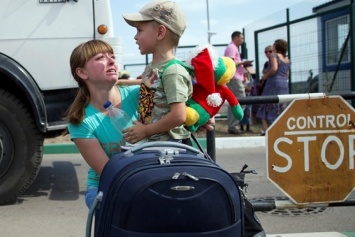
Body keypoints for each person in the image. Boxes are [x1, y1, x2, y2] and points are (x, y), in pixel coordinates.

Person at [65, 39, 140, 208]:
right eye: (100, 58)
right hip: (105, 186)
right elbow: (109, 173)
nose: (112, 61)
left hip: (145, 176)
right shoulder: (81, 121)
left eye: (112, 56)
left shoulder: (138, 95)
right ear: (82, 73)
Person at [121, 0, 193, 145]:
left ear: (160, 32)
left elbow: (179, 115)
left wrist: (146, 131)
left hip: (170, 146)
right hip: (154, 143)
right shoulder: (152, 67)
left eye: (139, 30)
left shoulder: (173, 71)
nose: (135, 37)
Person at [256, 39, 290, 135]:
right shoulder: (287, 60)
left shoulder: (274, 56)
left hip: (273, 83)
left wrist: (265, 76)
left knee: (264, 104)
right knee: (281, 106)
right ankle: (280, 129)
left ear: (276, 46)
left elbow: (274, 68)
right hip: (284, 84)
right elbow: (287, 75)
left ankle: (265, 130)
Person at [224, 31, 253, 134]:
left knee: (234, 101)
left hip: (236, 77)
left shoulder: (233, 48)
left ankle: (232, 125)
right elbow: (230, 63)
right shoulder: (232, 48)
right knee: (241, 101)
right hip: (234, 78)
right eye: (241, 38)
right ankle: (232, 125)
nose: (242, 40)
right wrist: (243, 63)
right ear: (235, 37)